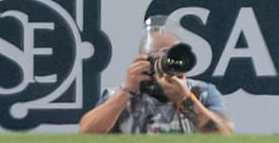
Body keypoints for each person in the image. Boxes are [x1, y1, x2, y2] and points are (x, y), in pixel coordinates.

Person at [80, 19, 234, 135]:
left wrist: (185, 99)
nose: (167, 64)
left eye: (172, 55)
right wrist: (126, 91)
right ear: (141, 60)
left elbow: (225, 135)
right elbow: (87, 133)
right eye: (157, 56)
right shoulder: (118, 96)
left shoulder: (202, 93)